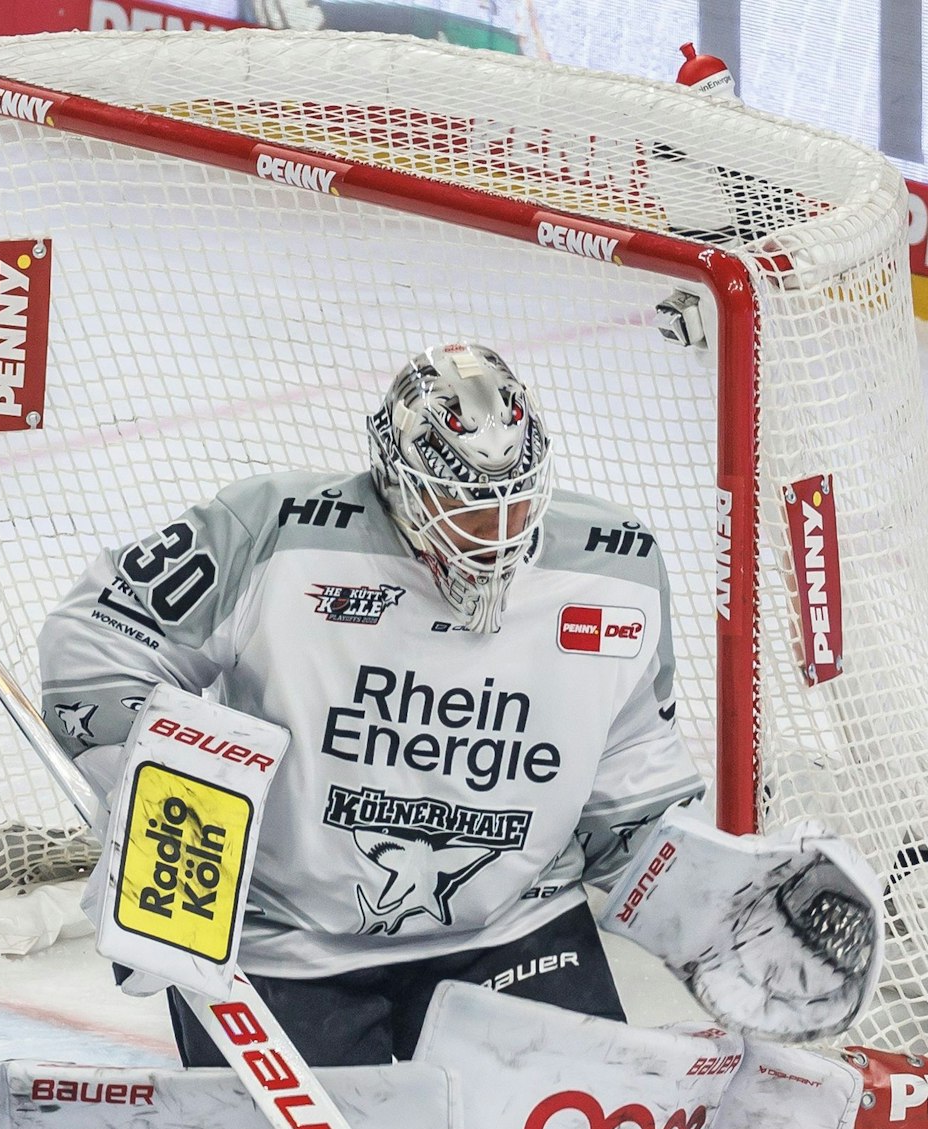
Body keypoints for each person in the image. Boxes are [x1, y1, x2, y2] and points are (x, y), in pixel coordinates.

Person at [39, 342, 706, 1066]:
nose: (498, 529)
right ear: (395, 475)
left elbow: (632, 769)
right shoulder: (275, 531)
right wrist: (165, 834)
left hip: (517, 925)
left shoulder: (615, 564)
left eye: (514, 498)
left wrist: (713, 907)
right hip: (282, 935)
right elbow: (98, 641)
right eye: (464, 501)